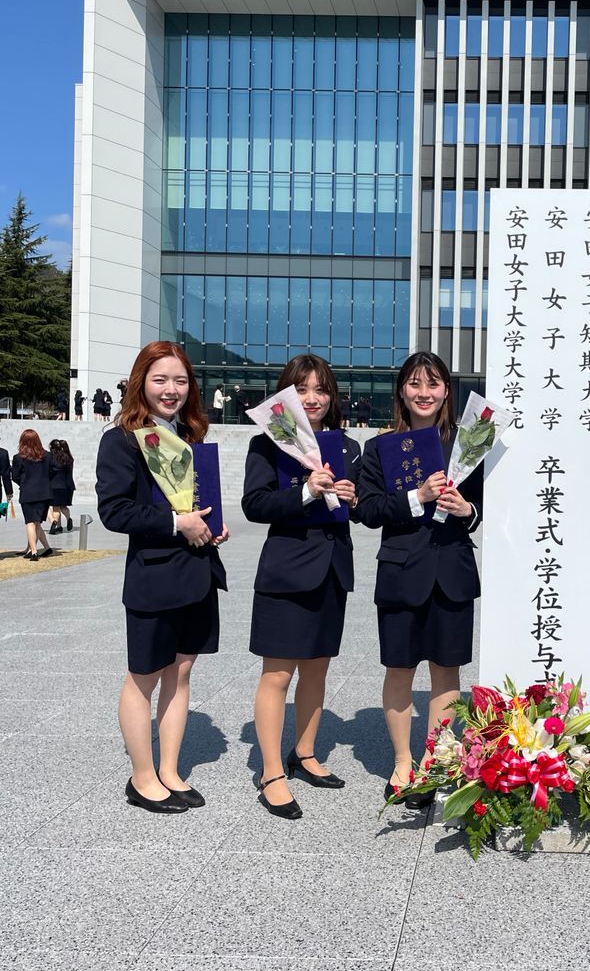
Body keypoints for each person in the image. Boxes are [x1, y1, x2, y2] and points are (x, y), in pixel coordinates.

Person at [96, 342, 229, 814]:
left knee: (182, 671)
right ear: (141, 383)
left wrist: (212, 526)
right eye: (160, 379)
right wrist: (177, 523)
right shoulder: (123, 439)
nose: (171, 389)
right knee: (144, 677)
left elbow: (199, 502)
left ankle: (169, 769)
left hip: (196, 571)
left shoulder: (189, 439)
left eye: (180, 380)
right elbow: (113, 511)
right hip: (153, 576)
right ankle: (142, 776)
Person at [357, 351, 482, 808]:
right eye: (414, 384)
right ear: (402, 392)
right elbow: (366, 510)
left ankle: (436, 762)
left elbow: (484, 508)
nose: (423, 393)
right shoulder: (380, 448)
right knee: (401, 668)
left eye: (433, 384)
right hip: (401, 573)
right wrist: (417, 497)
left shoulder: (468, 446)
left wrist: (466, 510)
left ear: (447, 391)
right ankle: (403, 762)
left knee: (447, 671)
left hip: (452, 571)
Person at [242, 355, 360, 819]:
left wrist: (353, 497)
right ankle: (271, 772)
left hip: (332, 569)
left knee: (316, 670)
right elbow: (255, 504)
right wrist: (308, 491)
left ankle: (305, 753)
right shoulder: (266, 444)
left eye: (321, 389)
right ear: (286, 395)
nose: (312, 398)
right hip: (287, 572)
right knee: (277, 674)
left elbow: (363, 505)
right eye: (302, 389)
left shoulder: (347, 446)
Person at [11, 430, 55, 561]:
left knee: (30, 522)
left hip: (28, 492)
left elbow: (15, 476)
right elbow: (53, 471)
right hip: (44, 492)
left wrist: (23, 483)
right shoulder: (47, 456)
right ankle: (46, 548)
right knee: (37, 522)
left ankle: (33, 551)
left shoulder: (19, 458)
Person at [48, 439, 76, 534]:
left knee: (55, 508)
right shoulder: (69, 459)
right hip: (67, 485)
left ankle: (54, 523)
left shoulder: (52, 458)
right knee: (63, 506)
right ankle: (68, 519)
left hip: (55, 485)